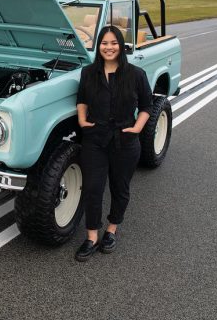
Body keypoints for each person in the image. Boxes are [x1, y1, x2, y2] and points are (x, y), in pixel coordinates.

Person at [75, 25, 152, 261]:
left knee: (120, 188)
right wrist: (81, 119)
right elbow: (82, 99)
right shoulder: (88, 72)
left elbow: (148, 106)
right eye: (104, 43)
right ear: (99, 47)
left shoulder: (136, 74)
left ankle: (111, 230)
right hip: (95, 140)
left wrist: (137, 128)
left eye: (114, 43)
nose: (109, 48)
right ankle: (91, 236)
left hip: (125, 141)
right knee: (92, 188)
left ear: (121, 45)